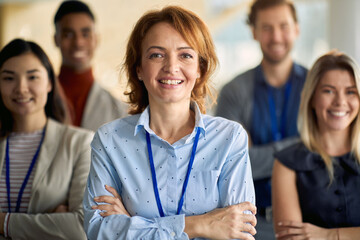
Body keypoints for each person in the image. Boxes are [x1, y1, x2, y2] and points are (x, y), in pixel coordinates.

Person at [83, 6, 257, 240]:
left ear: (200, 68)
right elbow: (100, 231)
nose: (171, 67)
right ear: (139, 69)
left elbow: (240, 232)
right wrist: (200, 224)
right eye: (156, 55)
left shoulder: (230, 138)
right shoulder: (109, 140)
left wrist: (133, 225)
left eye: (185, 55)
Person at [216, 0, 307, 238]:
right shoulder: (233, 92)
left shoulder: (317, 88)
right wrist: (301, 146)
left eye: (283, 26)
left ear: (297, 29)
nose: (276, 36)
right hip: (250, 226)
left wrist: (255, 154)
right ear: (254, 32)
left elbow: (325, 156)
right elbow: (231, 166)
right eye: (267, 28)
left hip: (310, 220)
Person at [0, 38, 93, 239]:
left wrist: (4, 223)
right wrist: (47, 224)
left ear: (50, 82)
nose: (21, 88)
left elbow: (81, 228)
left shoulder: (80, 144)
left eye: (32, 77)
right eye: (9, 78)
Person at [272, 51, 360, 239]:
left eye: (351, 91)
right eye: (328, 91)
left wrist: (329, 235)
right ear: (311, 98)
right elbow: (291, 238)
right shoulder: (286, 164)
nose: (340, 102)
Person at [54, 0, 127, 131]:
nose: (78, 42)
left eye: (86, 34)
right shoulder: (38, 99)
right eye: (68, 34)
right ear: (56, 39)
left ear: (96, 39)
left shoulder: (119, 110)